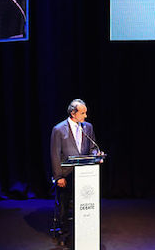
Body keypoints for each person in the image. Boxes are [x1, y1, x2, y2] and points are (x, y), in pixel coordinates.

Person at [50, 98, 102, 246]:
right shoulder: (59, 129)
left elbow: (93, 148)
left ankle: (84, 232)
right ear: (73, 113)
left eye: (85, 113)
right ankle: (64, 234)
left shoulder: (88, 127)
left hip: (84, 175)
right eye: (82, 113)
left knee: (83, 204)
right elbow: (55, 154)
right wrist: (58, 176)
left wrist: (96, 155)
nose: (86, 116)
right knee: (64, 206)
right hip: (66, 175)